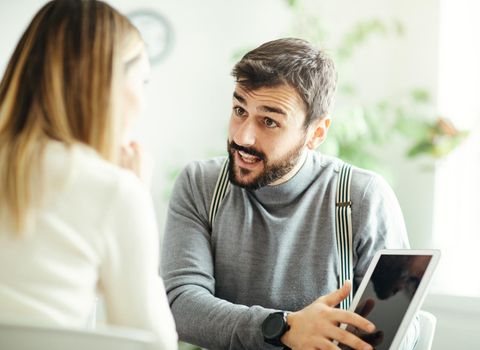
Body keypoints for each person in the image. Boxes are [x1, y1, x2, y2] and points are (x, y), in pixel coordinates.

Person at [162, 38, 417, 350]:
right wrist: (284, 327)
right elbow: (179, 305)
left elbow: (403, 326)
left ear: (316, 133)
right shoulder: (200, 184)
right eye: (239, 110)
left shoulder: (362, 197)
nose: (242, 136)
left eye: (269, 121)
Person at [0, 1, 177, 349]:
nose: (143, 100)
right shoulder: (112, 191)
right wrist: (136, 195)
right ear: (106, 84)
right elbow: (154, 343)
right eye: (141, 80)